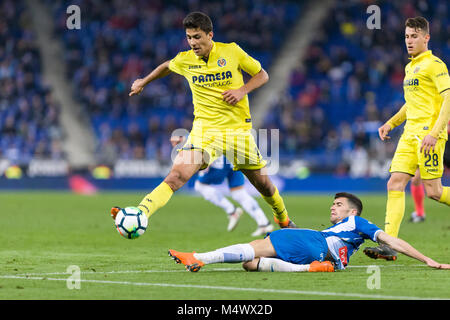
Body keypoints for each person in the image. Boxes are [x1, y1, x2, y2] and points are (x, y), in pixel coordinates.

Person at [111, 12, 296, 229]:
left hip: (237, 131)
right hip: (204, 130)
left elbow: (262, 75)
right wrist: (143, 81)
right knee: (177, 175)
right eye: (189, 37)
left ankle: (282, 219)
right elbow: (166, 66)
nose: (193, 43)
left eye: (197, 37)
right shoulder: (186, 59)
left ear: (210, 35)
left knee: (263, 185)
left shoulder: (232, 51)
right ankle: (141, 212)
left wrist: (242, 90)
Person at [168, 192, 450, 272]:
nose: (333, 208)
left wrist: (427, 260)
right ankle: (314, 269)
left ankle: (198, 257)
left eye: (338, 205)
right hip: (322, 251)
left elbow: (392, 240)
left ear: (353, 211)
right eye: (333, 204)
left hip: (320, 246)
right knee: (250, 263)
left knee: (261, 243)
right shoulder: (342, 228)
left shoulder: (359, 223)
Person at [364, 17, 450, 261]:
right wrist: (392, 122)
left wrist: (434, 133)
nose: (409, 41)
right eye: (407, 36)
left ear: (426, 38)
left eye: (414, 36)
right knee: (394, 183)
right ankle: (389, 245)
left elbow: (448, 98)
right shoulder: (410, 67)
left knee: (433, 190)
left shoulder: (435, 65)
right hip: (408, 135)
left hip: (428, 135)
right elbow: (410, 104)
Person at [170, 135, 274, 236]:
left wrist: (183, 139)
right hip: (234, 157)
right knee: (239, 193)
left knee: (200, 186)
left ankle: (232, 211)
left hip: (219, 160)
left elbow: (203, 131)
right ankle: (264, 223)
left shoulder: (212, 119)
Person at [410, 121, 450, 223]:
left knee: (434, 192)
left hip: (443, 139)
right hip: (431, 140)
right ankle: (419, 213)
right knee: (416, 178)